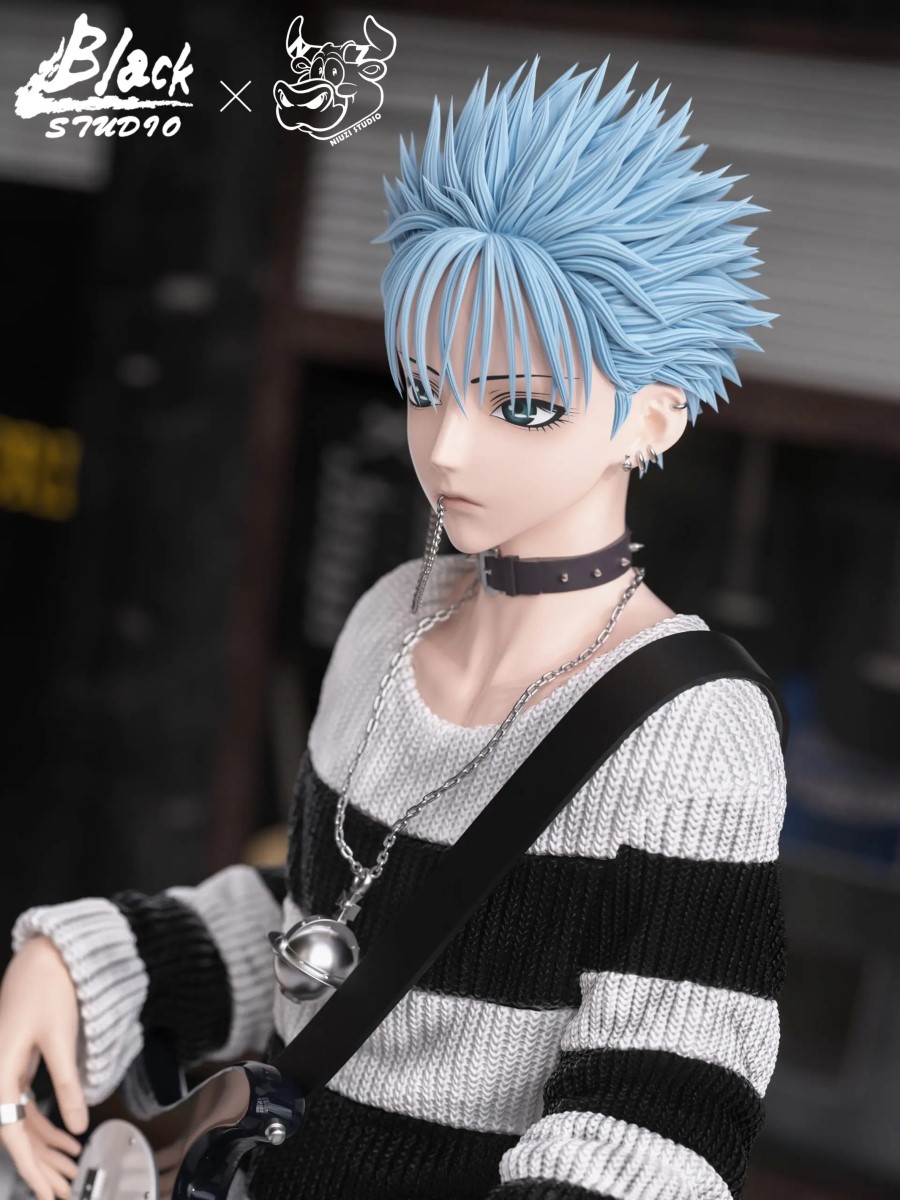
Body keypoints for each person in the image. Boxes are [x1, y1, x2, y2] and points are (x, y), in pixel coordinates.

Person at [0, 55, 786, 1200]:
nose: (451, 447)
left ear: (653, 416)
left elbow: (660, 1120)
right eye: (426, 386)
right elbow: (319, 931)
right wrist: (84, 963)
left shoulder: (694, 734)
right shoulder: (388, 621)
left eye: (523, 405)